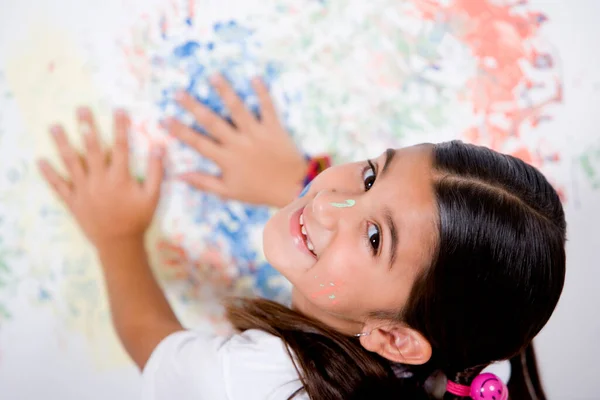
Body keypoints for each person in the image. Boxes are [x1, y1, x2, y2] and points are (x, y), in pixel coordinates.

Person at [38, 75, 566, 400]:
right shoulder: (446, 347)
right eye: (369, 176)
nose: (329, 202)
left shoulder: (252, 382)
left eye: (376, 238)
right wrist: (296, 176)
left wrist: (117, 235)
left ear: (394, 340)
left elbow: (149, 339)